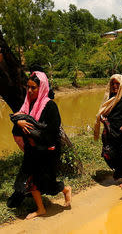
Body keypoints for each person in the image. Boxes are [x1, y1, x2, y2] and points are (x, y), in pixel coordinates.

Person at [11, 71, 71, 219]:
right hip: (32, 151)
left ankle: (65, 189)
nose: (30, 91)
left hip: (48, 151)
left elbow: (53, 131)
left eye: (33, 88)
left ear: (42, 87)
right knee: (31, 180)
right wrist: (18, 121)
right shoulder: (27, 104)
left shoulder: (50, 106)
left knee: (47, 184)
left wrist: (37, 138)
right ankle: (41, 209)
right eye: (28, 87)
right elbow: (16, 116)